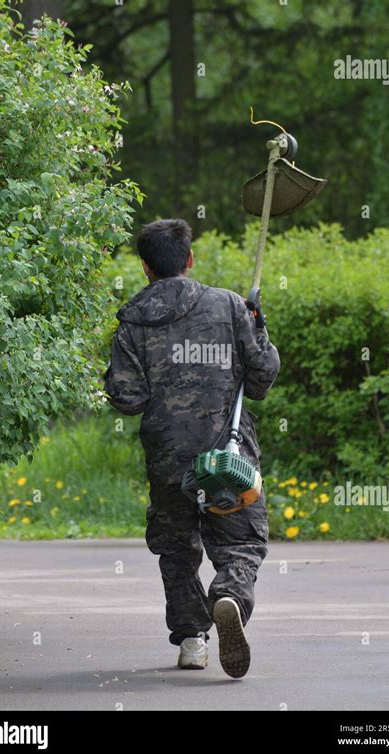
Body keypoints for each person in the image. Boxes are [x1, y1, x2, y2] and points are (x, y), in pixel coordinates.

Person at [104, 219, 280, 678]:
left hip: (167, 458)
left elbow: (128, 399)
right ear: (190, 259)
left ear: (145, 267)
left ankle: (191, 640)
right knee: (240, 541)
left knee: (177, 548)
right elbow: (261, 377)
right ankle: (229, 597)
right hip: (230, 452)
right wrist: (258, 327)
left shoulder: (130, 321)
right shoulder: (229, 305)